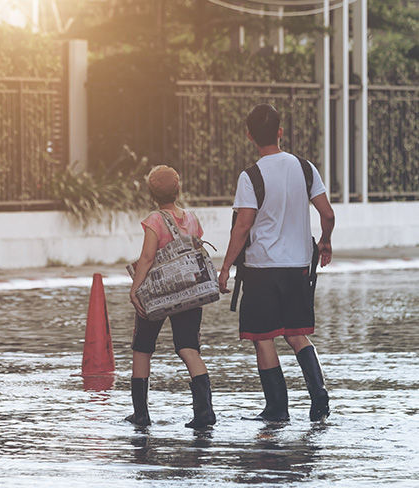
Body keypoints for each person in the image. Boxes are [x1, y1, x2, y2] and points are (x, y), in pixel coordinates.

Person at [218, 104, 336, 422]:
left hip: (261, 269)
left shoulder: (251, 176)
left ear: (249, 136)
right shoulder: (306, 168)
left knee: (263, 337)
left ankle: (277, 408)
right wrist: (325, 242)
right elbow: (327, 214)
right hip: (298, 265)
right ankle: (319, 396)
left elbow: (243, 226)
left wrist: (226, 266)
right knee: (297, 334)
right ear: (280, 133)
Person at [126, 165, 216, 429]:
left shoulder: (155, 220)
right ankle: (204, 412)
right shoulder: (192, 218)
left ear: (152, 193)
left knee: (142, 348)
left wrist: (136, 290)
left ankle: (141, 414)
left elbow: (147, 258)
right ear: (178, 189)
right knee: (188, 347)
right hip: (189, 292)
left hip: (158, 294)